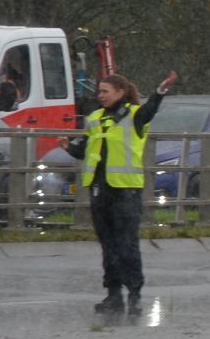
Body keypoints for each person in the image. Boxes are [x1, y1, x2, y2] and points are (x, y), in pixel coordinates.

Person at [67, 69, 178, 313]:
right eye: (99, 91)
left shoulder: (135, 115)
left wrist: (160, 92)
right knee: (108, 246)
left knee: (126, 244)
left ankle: (134, 292)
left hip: (126, 190)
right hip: (100, 190)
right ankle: (113, 294)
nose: (100, 95)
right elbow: (85, 150)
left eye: (105, 91)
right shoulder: (94, 118)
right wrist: (69, 148)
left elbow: (150, 110)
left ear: (120, 92)